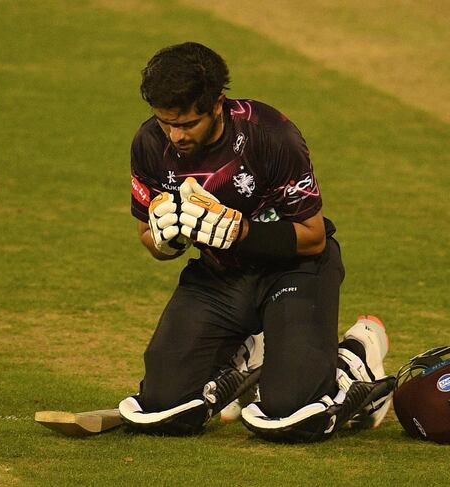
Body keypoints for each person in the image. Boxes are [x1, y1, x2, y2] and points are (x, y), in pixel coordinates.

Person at [118, 42, 395, 442]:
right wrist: (167, 241)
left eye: (188, 124)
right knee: (162, 406)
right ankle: (251, 351)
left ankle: (353, 358)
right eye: (166, 122)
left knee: (292, 413)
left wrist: (239, 231)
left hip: (294, 270)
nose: (175, 136)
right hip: (220, 278)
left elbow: (314, 238)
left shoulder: (270, 135)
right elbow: (148, 237)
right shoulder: (149, 143)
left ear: (216, 104)